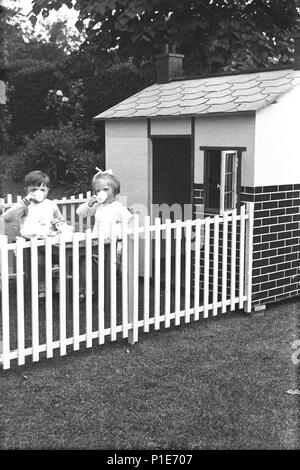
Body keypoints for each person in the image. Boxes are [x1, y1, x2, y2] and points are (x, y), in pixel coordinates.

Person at [3, 170, 67, 298]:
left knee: (65, 256)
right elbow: (8, 218)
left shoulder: (51, 205)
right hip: (30, 244)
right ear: (26, 190)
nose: (38, 192)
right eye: (34, 189)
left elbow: (62, 221)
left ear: (47, 190)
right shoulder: (26, 206)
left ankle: (61, 281)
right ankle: (42, 286)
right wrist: (24, 203)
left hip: (50, 241)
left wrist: (57, 222)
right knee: (39, 261)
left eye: (42, 189)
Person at [76, 168, 133, 300]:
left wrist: (117, 234)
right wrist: (88, 204)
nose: (102, 193)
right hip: (96, 245)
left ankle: (108, 292)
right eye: (98, 190)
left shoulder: (118, 207)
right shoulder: (98, 206)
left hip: (111, 248)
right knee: (82, 260)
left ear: (115, 190)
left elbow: (131, 223)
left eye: (106, 189)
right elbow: (80, 213)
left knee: (108, 270)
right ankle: (87, 290)